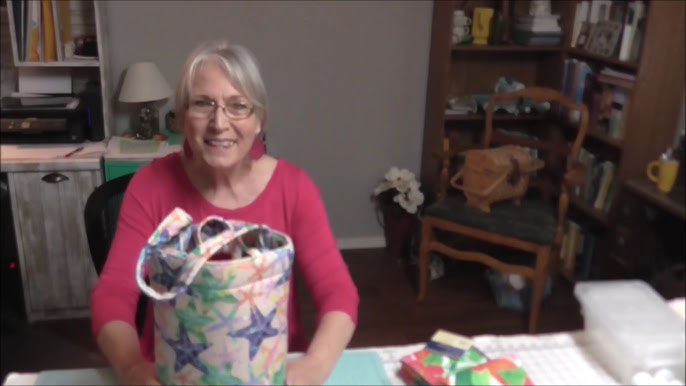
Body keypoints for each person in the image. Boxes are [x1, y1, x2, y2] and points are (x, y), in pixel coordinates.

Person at [91, 39, 359, 385]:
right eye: (203, 104)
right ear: (184, 118)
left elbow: (338, 291)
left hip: (271, 372)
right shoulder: (150, 185)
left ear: (259, 120)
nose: (219, 122)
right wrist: (129, 368)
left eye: (238, 106)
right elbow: (112, 295)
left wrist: (314, 367)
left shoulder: (294, 188)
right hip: (170, 374)